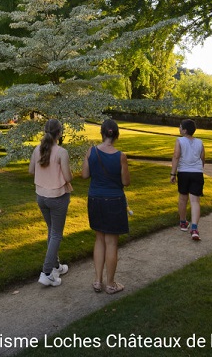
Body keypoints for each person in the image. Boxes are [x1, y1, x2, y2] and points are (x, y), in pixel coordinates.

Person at [82, 118, 130, 294]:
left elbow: (85, 174)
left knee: (99, 239)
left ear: (101, 133)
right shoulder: (121, 156)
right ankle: (110, 284)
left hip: (95, 199)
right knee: (111, 243)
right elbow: (126, 181)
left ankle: (97, 281)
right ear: (116, 135)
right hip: (113, 201)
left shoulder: (91, 151)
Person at [28, 118, 73, 287]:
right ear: (59, 133)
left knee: (52, 230)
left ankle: (56, 266)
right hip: (58, 197)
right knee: (56, 234)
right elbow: (68, 177)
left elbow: (31, 170)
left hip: (41, 196)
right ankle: (46, 272)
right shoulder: (62, 152)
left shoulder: (36, 150)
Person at [170, 119, 205, 241]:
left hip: (184, 172)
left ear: (184, 130)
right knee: (195, 201)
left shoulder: (179, 140)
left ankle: (183, 222)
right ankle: (194, 228)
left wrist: (173, 173)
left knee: (183, 198)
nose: (179, 129)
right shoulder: (200, 142)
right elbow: (202, 158)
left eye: (180, 127)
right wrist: (200, 170)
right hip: (197, 173)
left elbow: (176, 156)